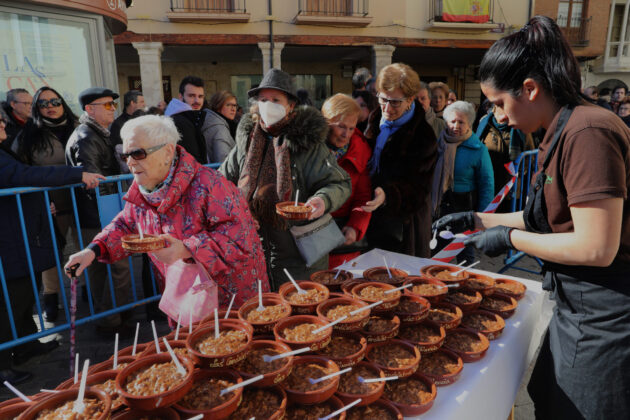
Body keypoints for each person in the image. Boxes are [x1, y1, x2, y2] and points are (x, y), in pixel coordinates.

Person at [433, 16, 630, 419]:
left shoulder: (587, 132)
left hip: (606, 312)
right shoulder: (558, 130)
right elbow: (545, 216)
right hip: (574, 305)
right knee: (548, 396)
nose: (499, 117)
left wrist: (508, 239)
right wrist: (477, 219)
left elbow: (596, 246)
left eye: (501, 104)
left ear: (530, 88)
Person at [65, 115, 268, 313]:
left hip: (229, 301)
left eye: (138, 154)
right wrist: (93, 250)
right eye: (125, 156)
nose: (130, 163)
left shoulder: (211, 184)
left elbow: (240, 237)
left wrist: (187, 249)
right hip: (184, 297)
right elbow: (127, 224)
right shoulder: (145, 187)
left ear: (168, 152)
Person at [0, 106, 104, 384]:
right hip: (8, 241)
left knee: (23, 295)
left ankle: (25, 345)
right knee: (10, 302)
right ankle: (2, 365)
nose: (2, 125)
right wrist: (76, 174)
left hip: (17, 236)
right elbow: (24, 175)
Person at [221, 68, 351, 289]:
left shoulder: (308, 144)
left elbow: (339, 183)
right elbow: (221, 184)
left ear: (290, 105)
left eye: (275, 100)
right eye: (263, 99)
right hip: (254, 251)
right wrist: (237, 211)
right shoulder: (247, 142)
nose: (268, 105)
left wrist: (322, 201)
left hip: (300, 255)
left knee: (301, 315)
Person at [65, 87, 133, 336]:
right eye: (106, 105)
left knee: (101, 269)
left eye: (113, 104)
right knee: (117, 267)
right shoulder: (86, 137)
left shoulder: (94, 133)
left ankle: (110, 316)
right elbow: (94, 181)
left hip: (96, 213)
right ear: (89, 109)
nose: (113, 108)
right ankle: (111, 320)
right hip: (99, 214)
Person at [12, 87, 79, 321]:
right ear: (36, 109)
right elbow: (21, 173)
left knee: (86, 247)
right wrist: (38, 201)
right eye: (43, 104)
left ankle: (90, 293)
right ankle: (51, 299)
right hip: (48, 206)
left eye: (55, 101)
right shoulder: (28, 135)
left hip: (82, 201)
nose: (50, 106)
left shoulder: (77, 127)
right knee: (52, 254)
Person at [364, 63, 438, 258]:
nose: (387, 108)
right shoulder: (373, 120)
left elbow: (418, 188)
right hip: (370, 216)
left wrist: (387, 195)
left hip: (404, 225)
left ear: (410, 100)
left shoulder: (423, 136)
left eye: (395, 102)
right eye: (383, 99)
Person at [432, 101, 493, 262]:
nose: (456, 126)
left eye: (461, 122)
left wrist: (483, 218)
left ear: (469, 124)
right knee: (436, 251)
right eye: (452, 121)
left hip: (464, 207)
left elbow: (487, 184)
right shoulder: (439, 144)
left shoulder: (479, 149)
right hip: (440, 205)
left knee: (464, 253)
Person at [321, 94, 374, 268]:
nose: (346, 134)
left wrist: (355, 227)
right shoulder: (309, 150)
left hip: (345, 241)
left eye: (352, 128)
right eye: (341, 127)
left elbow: (364, 197)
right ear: (326, 123)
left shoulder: (361, 150)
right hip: (312, 237)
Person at [475, 103, 535, 212]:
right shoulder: (484, 124)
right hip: (488, 179)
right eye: (500, 111)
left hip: (510, 183)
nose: (504, 117)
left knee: (507, 214)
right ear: (494, 110)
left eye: (507, 113)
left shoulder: (520, 127)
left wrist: (518, 171)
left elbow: (530, 155)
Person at [164, 76, 208, 164]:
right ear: (180, 97)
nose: (197, 101)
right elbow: (192, 160)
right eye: (191, 96)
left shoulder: (188, 117)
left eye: (200, 96)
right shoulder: (180, 122)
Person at [205, 90, 238, 163]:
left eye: (235, 105)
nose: (233, 109)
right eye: (228, 105)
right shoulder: (219, 128)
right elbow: (223, 161)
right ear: (218, 106)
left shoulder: (213, 121)